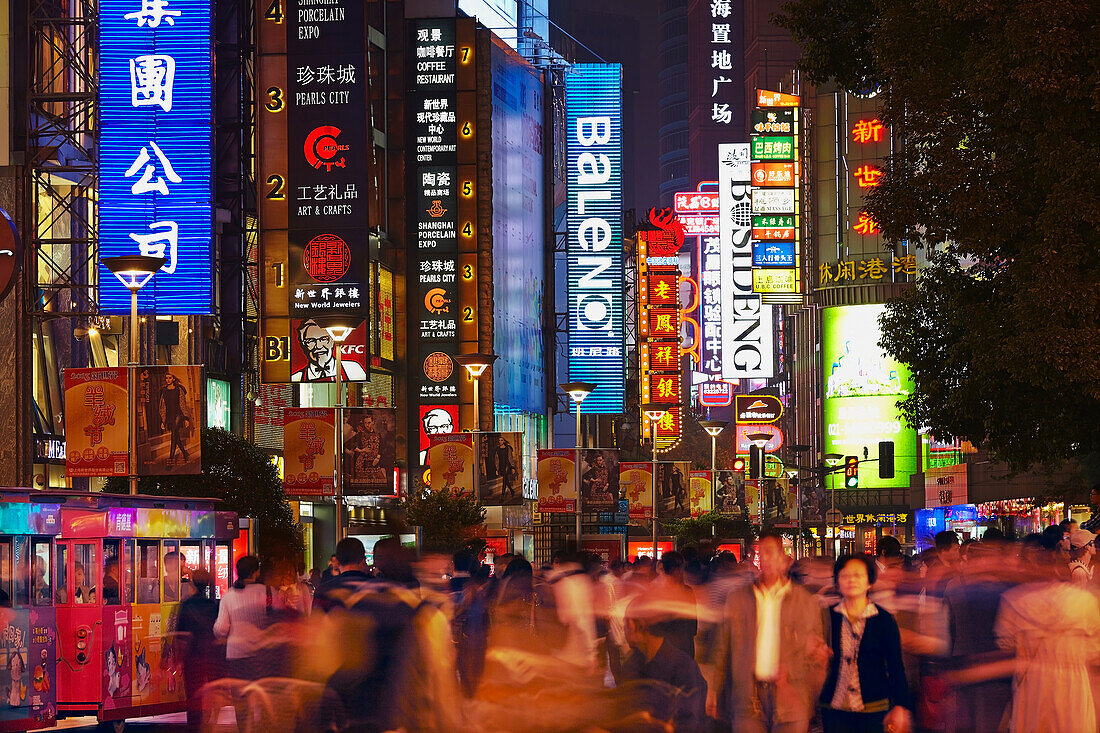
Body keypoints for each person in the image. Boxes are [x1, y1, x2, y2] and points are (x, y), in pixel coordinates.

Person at [712, 530, 826, 732]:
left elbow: (816, 657)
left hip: (790, 699)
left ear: (785, 559)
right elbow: (723, 649)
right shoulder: (738, 599)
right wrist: (714, 691)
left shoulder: (805, 602)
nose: (766, 559)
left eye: (772, 553)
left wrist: (806, 698)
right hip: (748, 698)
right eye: (761, 553)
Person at [995, 541, 1100, 732]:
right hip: (1072, 686)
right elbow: (1094, 652)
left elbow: (1006, 645)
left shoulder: (1014, 601)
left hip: (1034, 687)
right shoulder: (1084, 602)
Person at [820, 554, 911, 733]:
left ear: (869, 582)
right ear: (837, 581)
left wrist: (901, 705)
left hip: (873, 707)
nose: (851, 580)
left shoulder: (883, 619)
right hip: (834, 707)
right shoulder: (827, 617)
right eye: (845, 575)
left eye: (858, 575)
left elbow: (895, 665)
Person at [620, 596, 707, 732]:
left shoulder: (683, 668)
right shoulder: (631, 665)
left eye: (625, 622)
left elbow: (689, 724)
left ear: (639, 626)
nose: (623, 629)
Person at [212, 555, 267, 681]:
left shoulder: (228, 596)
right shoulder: (267, 592)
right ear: (256, 572)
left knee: (239, 694)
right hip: (261, 654)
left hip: (236, 654)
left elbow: (221, 630)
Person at [177, 569, 218, 732]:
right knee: (210, 691)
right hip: (210, 655)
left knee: (193, 694)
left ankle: (194, 726)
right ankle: (208, 721)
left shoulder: (186, 605)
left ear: (192, 583)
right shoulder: (213, 605)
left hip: (192, 657)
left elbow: (181, 636)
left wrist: (178, 659)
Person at [290, 318, 366, 382]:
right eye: (311, 341)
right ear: (304, 345)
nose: (318, 346)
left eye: (323, 339)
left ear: (332, 341)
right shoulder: (296, 378)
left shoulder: (353, 369)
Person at [160, 372, 192, 465]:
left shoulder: (179, 389)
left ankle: (171, 457)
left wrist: (186, 418)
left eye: (170, 378)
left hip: (178, 414)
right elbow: (163, 406)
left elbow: (182, 403)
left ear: (173, 379)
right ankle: (185, 452)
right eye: (166, 378)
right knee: (176, 435)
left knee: (173, 433)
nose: (168, 380)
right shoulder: (164, 391)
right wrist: (163, 420)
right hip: (170, 416)